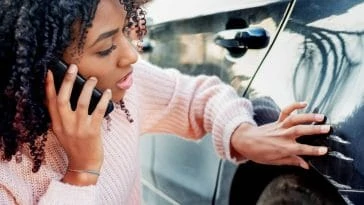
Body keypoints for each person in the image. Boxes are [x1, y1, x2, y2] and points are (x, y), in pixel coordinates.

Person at [0, 0, 330, 204]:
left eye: (124, 32)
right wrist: (81, 173)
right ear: (42, 70)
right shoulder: (8, 172)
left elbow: (196, 97)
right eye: (105, 48)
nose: (131, 55)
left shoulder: (125, 88)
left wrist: (241, 133)